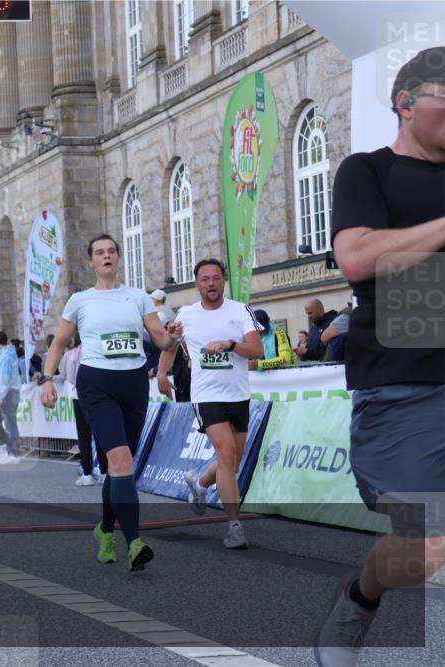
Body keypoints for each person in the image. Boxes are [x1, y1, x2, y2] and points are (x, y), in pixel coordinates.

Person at [314, 47, 445, 667]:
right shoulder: (368, 171)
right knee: (431, 546)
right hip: (404, 388)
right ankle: (361, 593)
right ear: (407, 102)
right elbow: (359, 258)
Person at [42, 234, 182, 570]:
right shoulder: (80, 299)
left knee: (119, 468)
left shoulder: (138, 297)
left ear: (119, 258)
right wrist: (47, 379)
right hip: (97, 384)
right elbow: (59, 343)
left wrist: (172, 338)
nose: (106, 257)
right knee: (120, 462)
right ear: (91, 261)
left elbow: (159, 339)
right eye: (99, 253)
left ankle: (105, 529)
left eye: (111, 252)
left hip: (133, 382)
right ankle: (134, 542)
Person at [158, 260, 263, 548]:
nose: (211, 284)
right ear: (197, 284)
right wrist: (161, 374)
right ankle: (234, 526)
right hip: (206, 396)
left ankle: (201, 483)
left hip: (238, 395)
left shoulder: (240, 310)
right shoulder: (187, 314)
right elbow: (170, 343)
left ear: (223, 282)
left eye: (216, 278)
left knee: (232, 461)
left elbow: (258, 350)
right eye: (205, 279)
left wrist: (229, 345)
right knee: (227, 455)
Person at [59, 332, 100, 487]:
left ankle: (88, 473)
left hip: (78, 395)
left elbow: (66, 377)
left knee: (83, 435)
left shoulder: (70, 355)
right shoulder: (96, 349)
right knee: (100, 433)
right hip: (97, 394)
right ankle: (104, 472)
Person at [0, 330, 23, 464]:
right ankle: (11, 451)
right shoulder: (10, 354)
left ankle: (14, 453)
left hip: (8, 393)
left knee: (10, 424)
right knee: (10, 423)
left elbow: (4, 379)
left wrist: (0, 398)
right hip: (12, 391)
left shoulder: (5, 357)